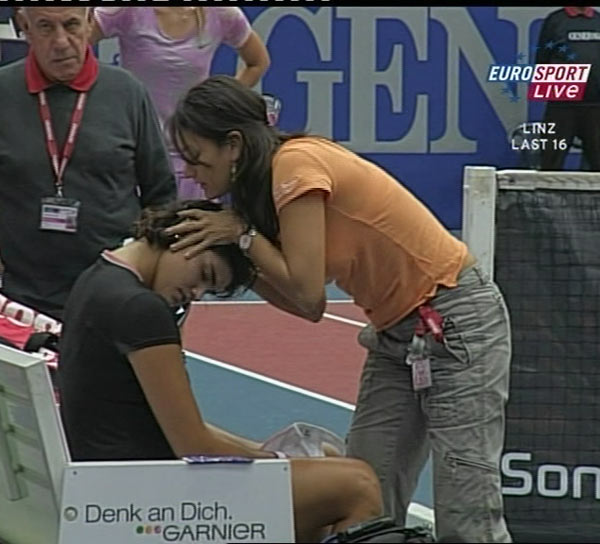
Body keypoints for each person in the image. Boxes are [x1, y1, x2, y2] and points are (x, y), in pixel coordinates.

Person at [163, 75, 513, 542]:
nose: (191, 173)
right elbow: (303, 305)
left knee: (465, 509)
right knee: (364, 488)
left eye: (196, 157)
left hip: (453, 320)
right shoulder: (262, 190)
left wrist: (245, 236)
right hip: (398, 337)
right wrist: (246, 254)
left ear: (233, 145)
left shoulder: (295, 165)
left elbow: (308, 293)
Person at [57, 199, 383, 543]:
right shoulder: (141, 309)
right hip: (145, 497)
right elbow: (194, 445)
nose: (194, 294)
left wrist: (267, 453)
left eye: (207, 290)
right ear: (181, 236)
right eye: (205, 275)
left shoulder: (97, 278)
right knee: (357, 484)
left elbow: (167, 424)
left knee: (323, 473)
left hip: (112, 480)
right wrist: (278, 459)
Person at [0, 7, 176, 321]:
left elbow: (161, 194)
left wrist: (147, 272)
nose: (61, 41)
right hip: (19, 301)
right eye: (45, 27)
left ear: (90, 22)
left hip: (113, 295)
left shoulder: (127, 92)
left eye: (71, 25)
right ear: (24, 27)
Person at [90, 7, 270, 199]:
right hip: (134, 154)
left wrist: (218, 106)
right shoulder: (126, 10)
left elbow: (258, 62)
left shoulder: (221, 13)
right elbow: (73, 48)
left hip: (193, 162)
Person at [536, 6, 600, 171]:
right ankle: (547, 197)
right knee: (551, 161)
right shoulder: (555, 20)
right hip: (561, 106)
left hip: (596, 105)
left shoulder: (598, 19)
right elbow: (542, 58)